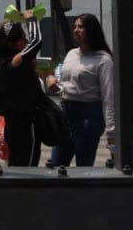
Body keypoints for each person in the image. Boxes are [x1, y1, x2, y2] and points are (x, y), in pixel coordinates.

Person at [46, 13, 114, 167]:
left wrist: (112, 132)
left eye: (81, 27)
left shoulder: (103, 60)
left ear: (92, 31)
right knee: (56, 165)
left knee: (83, 166)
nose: (76, 30)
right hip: (66, 112)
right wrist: (54, 84)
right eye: (75, 27)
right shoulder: (71, 54)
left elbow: (109, 97)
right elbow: (69, 85)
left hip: (88, 117)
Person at [0, 12, 45, 166]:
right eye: (23, 38)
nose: (26, 41)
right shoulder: (15, 62)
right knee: (28, 167)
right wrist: (31, 19)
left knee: (16, 165)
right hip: (25, 123)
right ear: (11, 44)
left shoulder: (1, 62)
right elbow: (36, 41)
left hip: (13, 124)